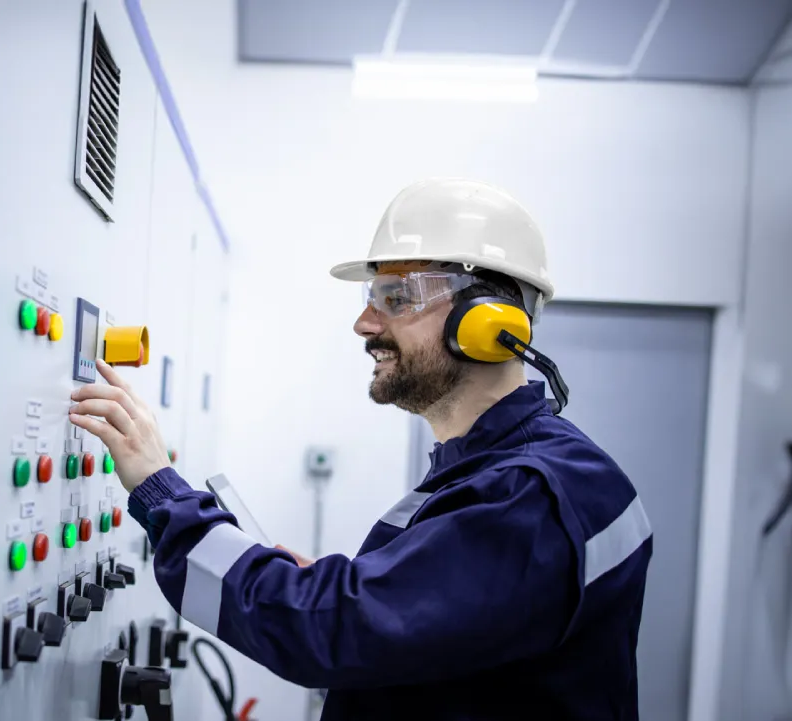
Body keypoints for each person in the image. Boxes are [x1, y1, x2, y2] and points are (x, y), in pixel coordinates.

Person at [69, 178, 653, 720]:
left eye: (396, 298)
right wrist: (339, 590)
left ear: (487, 321)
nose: (364, 323)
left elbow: (326, 635)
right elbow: (428, 630)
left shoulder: (531, 496)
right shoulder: (488, 470)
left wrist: (161, 491)